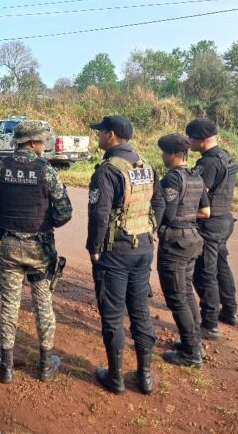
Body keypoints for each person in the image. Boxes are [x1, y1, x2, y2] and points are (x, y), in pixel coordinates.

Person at [0, 121, 72, 384]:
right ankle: (45, 365)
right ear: (31, 143)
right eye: (42, 140)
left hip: (9, 247)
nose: (44, 145)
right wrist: (44, 223)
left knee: (10, 304)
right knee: (43, 304)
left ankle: (5, 366)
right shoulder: (46, 171)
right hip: (40, 250)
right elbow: (64, 213)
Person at [87, 115, 164, 395]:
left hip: (115, 251)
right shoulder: (145, 164)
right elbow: (159, 202)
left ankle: (116, 377)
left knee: (113, 313)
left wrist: (94, 248)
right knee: (140, 311)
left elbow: (99, 213)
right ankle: (145, 376)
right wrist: (149, 228)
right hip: (143, 247)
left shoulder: (107, 171)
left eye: (100, 133)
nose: (98, 137)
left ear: (111, 135)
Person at [155, 133, 210, 367]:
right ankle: (193, 341)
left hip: (175, 244)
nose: (163, 157)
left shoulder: (172, 179)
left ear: (170, 154)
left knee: (177, 297)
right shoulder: (196, 176)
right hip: (193, 239)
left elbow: (166, 213)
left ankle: (191, 352)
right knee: (186, 292)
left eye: (163, 153)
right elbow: (206, 211)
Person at [186, 118, 238, 339]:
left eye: (192, 138)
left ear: (203, 139)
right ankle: (230, 310)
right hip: (224, 220)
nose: (189, 142)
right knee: (220, 266)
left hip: (209, 224)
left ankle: (209, 323)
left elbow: (199, 195)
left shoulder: (207, 164)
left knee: (204, 273)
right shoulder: (226, 157)